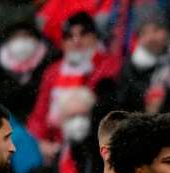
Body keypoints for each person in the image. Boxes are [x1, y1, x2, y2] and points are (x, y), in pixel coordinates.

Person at [26, 12, 121, 155]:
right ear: (63, 43)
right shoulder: (53, 72)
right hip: (55, 146)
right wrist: (39, 143)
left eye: (83, 34)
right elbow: (39, 116)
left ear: (95, 37)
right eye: (69, 36)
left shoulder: (110, 66)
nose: (76, 40)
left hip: (94, 145)